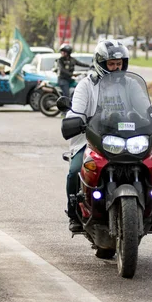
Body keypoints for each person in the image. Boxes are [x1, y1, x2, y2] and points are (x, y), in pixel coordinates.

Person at [64, 40, 132, 232]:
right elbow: (76, 110)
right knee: (75, 169)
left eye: (119, 64)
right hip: (91, 139)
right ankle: (73, 213)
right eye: (111, 64)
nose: (116, 68)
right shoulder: (86, 85)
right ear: (101, 63)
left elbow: (146, 108)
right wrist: (75, 121)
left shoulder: (130, 84)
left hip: (126, 138)